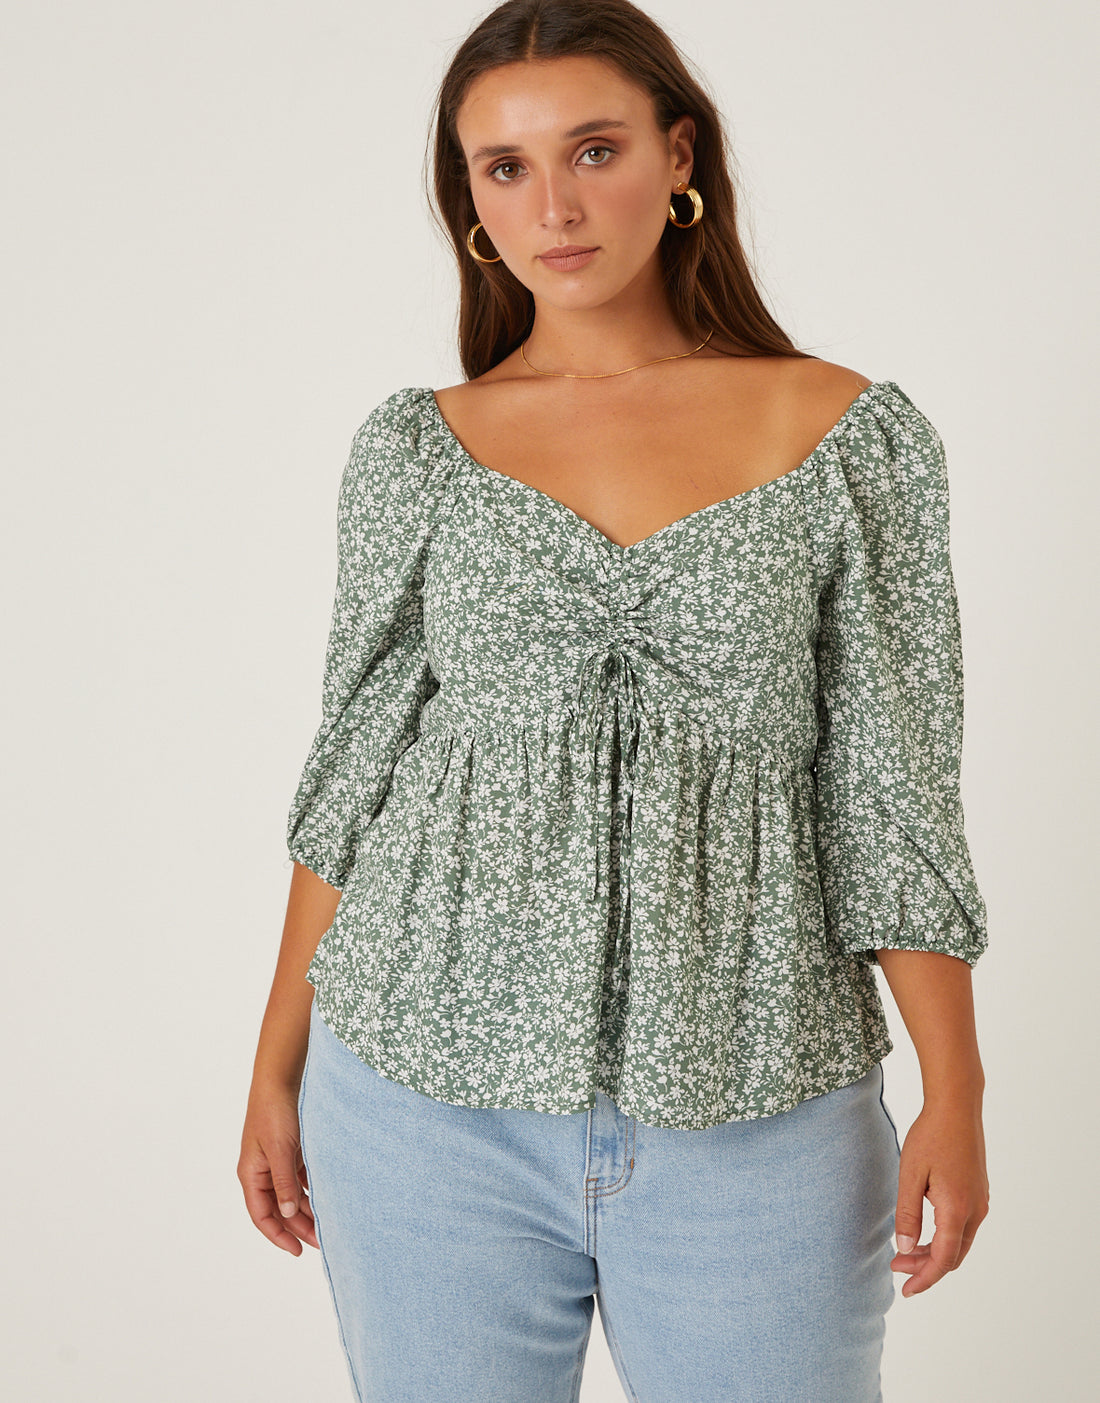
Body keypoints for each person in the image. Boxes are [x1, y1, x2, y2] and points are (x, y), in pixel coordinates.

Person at [237, 2, 990, 1399]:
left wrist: (958, 1091)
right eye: (505, 167)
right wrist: (273, 1068)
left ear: (677, 154)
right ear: (469, 201)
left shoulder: (847, 437)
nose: (555, 206)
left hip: (758, 1102)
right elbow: (354, 779)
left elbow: (892, 790)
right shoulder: (417, 451)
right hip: (418, 1101)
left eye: (594, 149)